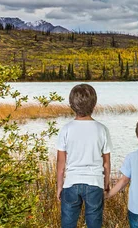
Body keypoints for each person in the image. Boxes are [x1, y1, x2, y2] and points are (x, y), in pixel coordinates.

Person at [56, 84, 112, 228]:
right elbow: (106, 163)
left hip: (71, 183)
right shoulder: (102, 129)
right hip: (95, 184)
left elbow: (61, 164)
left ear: (71, 105)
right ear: (94, 104)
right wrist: (105, 184)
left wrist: (59, 186)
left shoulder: (66, 129)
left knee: (68, 224)